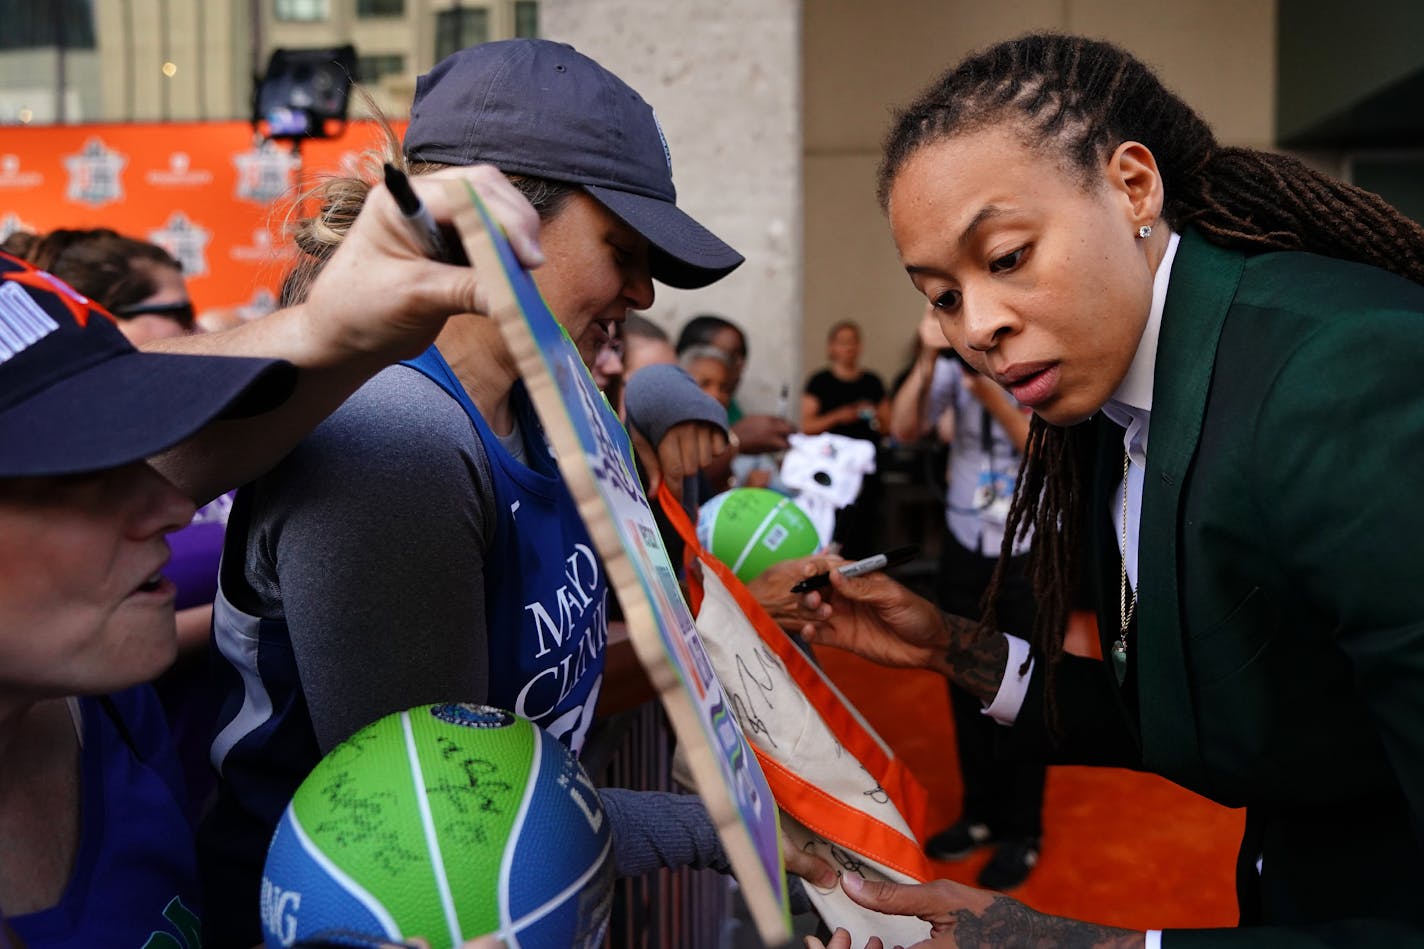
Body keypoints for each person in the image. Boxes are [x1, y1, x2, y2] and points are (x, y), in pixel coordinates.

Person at [797, 31, 1424, 947]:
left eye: (1006, 256)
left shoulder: (1343, 380)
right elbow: (1200, 704)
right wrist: (955, 647)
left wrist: (1089, 945)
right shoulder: (1116, 395)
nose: (979, 326)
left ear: (1133, 185)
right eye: (940, 294)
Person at [200, 39, 745, 947]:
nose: (645, 290)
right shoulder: (399, 439)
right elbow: (461, 844)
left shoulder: (551, 403)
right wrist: (716, 829)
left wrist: (665, 395)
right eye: (622, 247)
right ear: (492, 217)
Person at [0, 161, 545, 947]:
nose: (172, 504)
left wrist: (333, 329)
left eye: (139, 457)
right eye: (79, 475)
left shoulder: (100, 696)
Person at [887, 305, 1044, 891]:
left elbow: (1038, 445)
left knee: (1028, 687)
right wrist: (928, 358)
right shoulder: (947, 367)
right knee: (966, 683)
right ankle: (979, 814)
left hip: (1028, 549)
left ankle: (1022, 829)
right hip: (963, 542)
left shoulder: (1033, 359)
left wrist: (987, 388)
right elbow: (903, 429)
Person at [801, 320, 890, 556]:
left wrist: (873, 415)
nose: (848, 348)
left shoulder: (872, 382)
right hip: (830, 475)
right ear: (831, 348)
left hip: (865, 476)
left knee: (864, 534)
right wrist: (839, 416)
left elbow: (888, 426)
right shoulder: (819, 382)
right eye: (842, 342)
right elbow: (807, 426)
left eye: (853, 342)